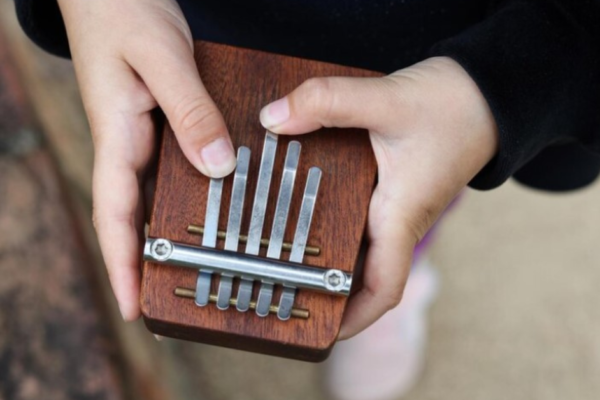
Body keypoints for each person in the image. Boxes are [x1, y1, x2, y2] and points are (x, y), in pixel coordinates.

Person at [13, 0, 600, 399]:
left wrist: (506, 82)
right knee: (190, 158)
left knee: (402, 206)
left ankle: (393, 277)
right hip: (199, 21)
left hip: (440, 50)